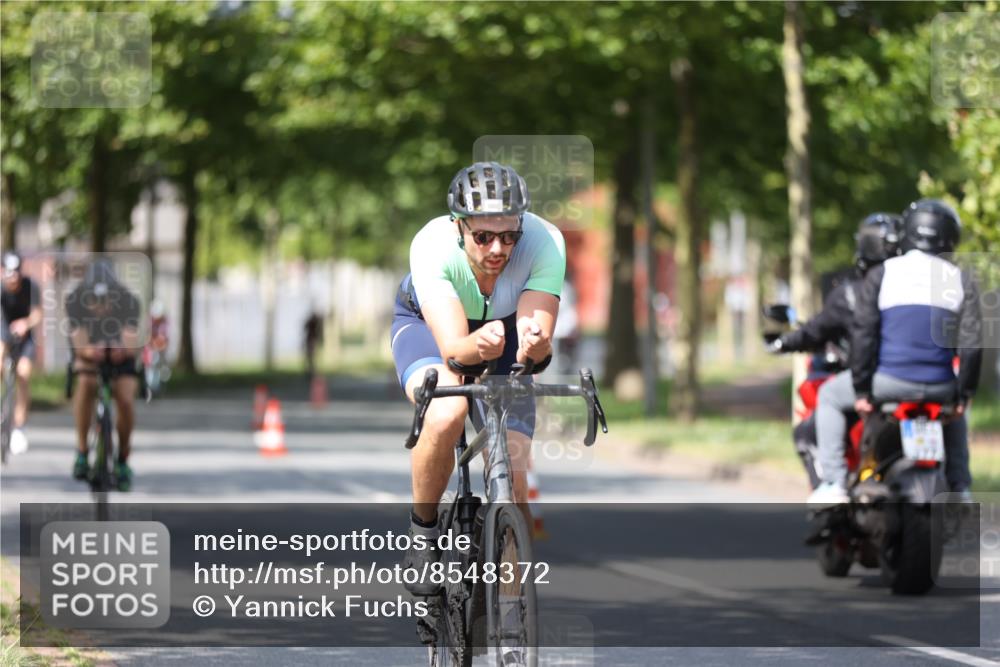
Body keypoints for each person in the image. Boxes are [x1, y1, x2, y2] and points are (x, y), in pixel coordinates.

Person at [390, 162, 565, 595]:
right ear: (459, 227)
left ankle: (512, 629)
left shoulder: (546, 243)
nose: (496, 249)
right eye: (483, 237)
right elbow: (454, 350)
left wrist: (536, 345)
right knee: (447, 411)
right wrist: (476, 346)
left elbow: (535, 350)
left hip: (502, 331)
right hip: (431, 329)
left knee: (515, 470)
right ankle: (423, 533)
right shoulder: (432, 245)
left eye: (509, 236)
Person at [850, 199, 981, 503]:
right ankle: (960, 486)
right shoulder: (961, 279)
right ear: (950, 237)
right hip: (941, 387)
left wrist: (861, 390)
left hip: (888, 385)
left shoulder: (882, 273)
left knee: (831, 396)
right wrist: (963, 395)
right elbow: (972, 345)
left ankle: (836, 482)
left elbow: (864, 335)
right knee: (957, 418)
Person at [769, 214, 902, 499]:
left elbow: (818, 331)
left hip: (877, 382)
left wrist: (783, 342)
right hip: (915, 380)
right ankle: (960, 485)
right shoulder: (916, 289)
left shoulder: (854, 293)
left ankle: (834, 483)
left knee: (825, 400)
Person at [65, 258, 143, 491]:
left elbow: (131, 343)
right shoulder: (75, 300)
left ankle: (123, 458)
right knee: (86, 382)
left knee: (126, 399)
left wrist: (121, 349)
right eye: (94, 300)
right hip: (90, 352)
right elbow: (79, 344)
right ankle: (82, 451)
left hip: (120, 354)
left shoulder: (129, 301)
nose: (99, 306)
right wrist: (91, 351)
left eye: (104, 300)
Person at [1, 251, 42, 455]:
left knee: (23, 374)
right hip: (2, 333)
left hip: (25, 338)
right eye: (9, 272)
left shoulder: (30, 286)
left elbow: (37, 314)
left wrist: (25, 323)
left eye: (16, 272)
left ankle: (18, 427)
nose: (13, 277)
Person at [303, 310, 324, 378]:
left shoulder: (315, 323)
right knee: (310, 357)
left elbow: (305, 328)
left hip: (311, 340)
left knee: (311, 357)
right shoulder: (315, 323)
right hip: (311, 340)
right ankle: (311, 371)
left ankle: (311, 372)